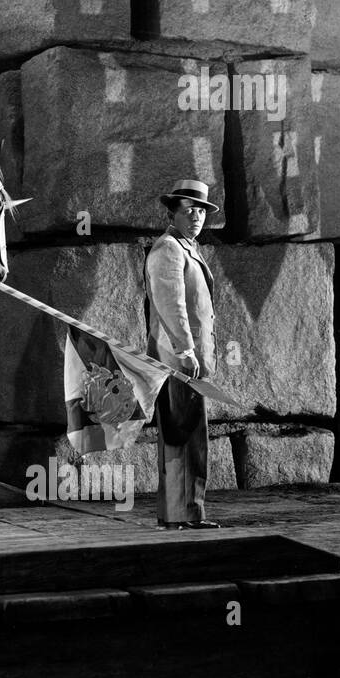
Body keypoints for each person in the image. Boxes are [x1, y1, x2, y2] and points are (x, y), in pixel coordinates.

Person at [144, 179, 221, 531]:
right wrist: (186, 350)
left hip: (189, 363)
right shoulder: (169, 249)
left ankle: (187, 512)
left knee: (191, 436)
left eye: (201, 211)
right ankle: (180, 514)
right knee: (179, 435)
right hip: (177, 362)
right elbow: (170, 304)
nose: (197, 217)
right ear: (172, 212)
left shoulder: (187, 247)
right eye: (189, 210)